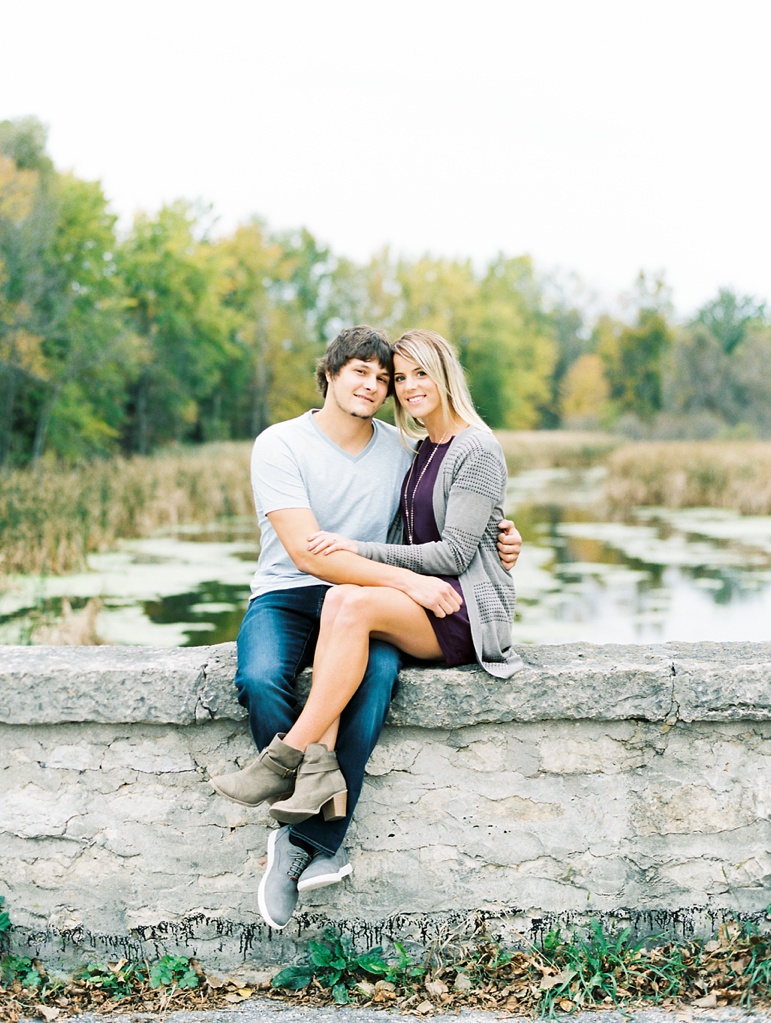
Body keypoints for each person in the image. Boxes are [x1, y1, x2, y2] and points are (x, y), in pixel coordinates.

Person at [209, 325, 522, 930]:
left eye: (391, 378)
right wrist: (409, 580)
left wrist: (504, 540)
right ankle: (323, 827)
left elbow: (460, 519)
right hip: (292, 591)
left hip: (367, 599)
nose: (384, 386)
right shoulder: (279, 444)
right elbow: (308, 553)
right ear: (329, 374)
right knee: (260, 678)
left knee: (376, 681)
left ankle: (293, 800)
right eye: (370, 373)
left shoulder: (402, 448)